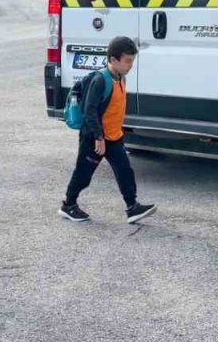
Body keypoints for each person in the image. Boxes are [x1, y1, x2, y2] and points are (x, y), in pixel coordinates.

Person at [58, 36, 158, 225]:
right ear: (113, 60)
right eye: (127, 61)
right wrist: (98, 137)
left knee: (125, 171)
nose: (130, 65)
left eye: (132, 61)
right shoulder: (100, 80)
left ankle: (132, 207)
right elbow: (89, 110)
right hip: (94, 138)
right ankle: (68, 205)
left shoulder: (121, 77)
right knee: (83, 173)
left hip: (114, 136)